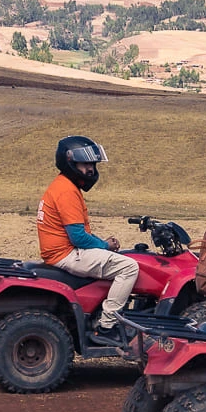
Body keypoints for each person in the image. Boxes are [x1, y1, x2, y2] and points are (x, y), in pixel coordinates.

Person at [37, 135, 139, 339]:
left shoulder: (62, 185)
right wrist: (104, 245)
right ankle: (107, 326)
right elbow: (78, 238)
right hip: (67, 254)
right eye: (85, 164)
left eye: (92, 164)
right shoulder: (66, 191)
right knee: (129, 267)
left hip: (60, 252)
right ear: (70, 162)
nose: (91, 169)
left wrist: (102, 245)